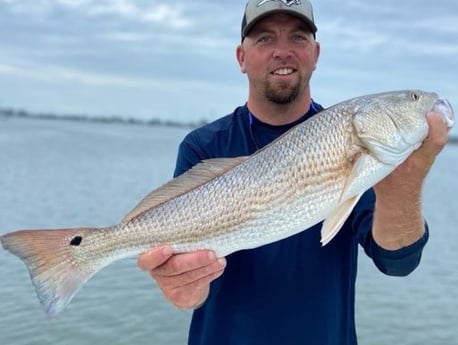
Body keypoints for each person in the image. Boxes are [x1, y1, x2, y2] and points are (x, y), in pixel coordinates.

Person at [138, 0, 450, 344]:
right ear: (241, 57)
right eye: (265, 39)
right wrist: (182, 287)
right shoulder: (203, 146)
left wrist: (406, 183)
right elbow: (191, 291)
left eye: (298, 38)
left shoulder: (356, 146)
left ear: (316, 53)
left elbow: (397, 262)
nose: (282, 51)